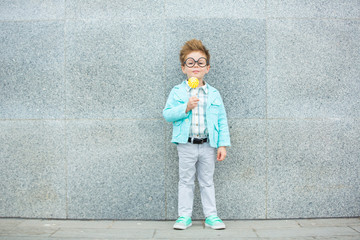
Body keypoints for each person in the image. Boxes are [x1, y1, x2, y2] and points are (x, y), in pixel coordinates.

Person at [163, 39, 231, 230]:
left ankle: (211, 216)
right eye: (190, 63)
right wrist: (185, 107)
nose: (195, 66)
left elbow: (222, 121)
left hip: (209, 145)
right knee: (185, 180)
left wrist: (222, 145)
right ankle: (184, 216)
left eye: (200, 63)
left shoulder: (214, 94)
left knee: (207, 181)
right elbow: (167, 114)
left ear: (207, 68)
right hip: (186, 144)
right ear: (183, 68)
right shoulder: (177, 92)